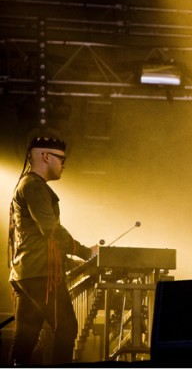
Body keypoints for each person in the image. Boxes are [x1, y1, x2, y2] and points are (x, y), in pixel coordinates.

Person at [8, 136, 97, 366]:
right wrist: (85, 252)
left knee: (25, 338)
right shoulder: (34, 186)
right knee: (66, 328)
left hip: (27, 272)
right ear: (46, 156)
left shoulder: (29, 185)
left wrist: (73, 260)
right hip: (40, 274)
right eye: (61, 159)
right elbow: (50, 230)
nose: (64, 165)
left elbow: (40, 238)